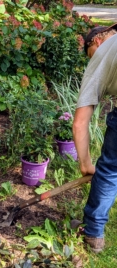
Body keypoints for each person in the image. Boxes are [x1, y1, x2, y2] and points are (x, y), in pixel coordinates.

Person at [72, 23, 117, 253]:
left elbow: (80, 121)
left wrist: (85, 164)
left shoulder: (103, 50)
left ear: (96, 41)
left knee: (109, 171)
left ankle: (93, 233)